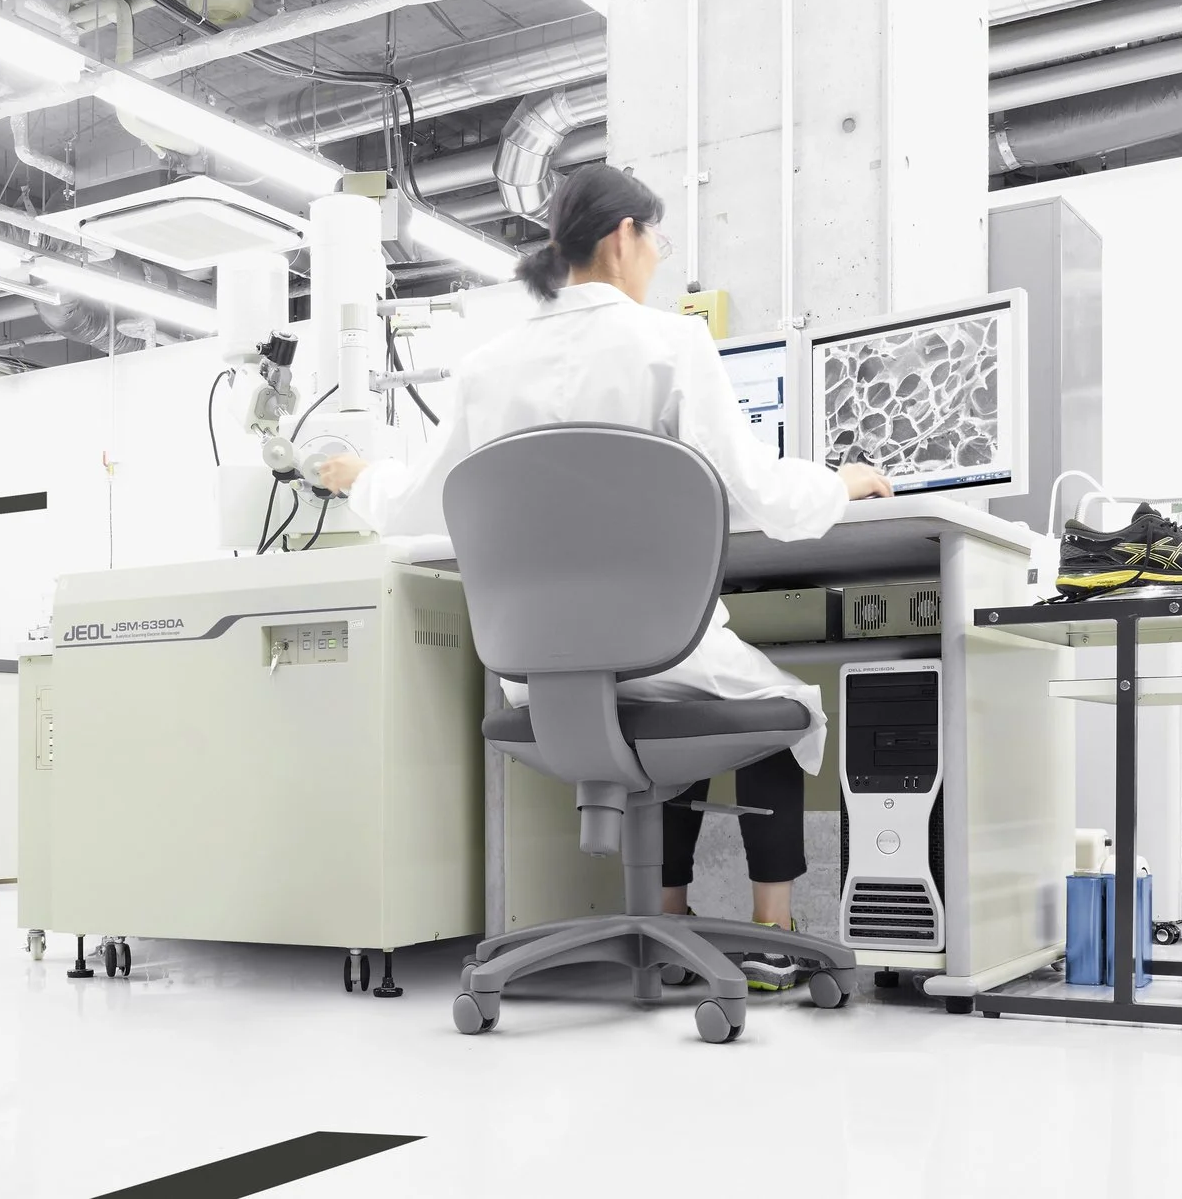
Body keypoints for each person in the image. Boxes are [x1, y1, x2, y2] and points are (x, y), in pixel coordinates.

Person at [317, 164, 890, 989]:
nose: (657, 257)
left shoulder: (486, 367)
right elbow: (761, 495)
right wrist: (842, 482)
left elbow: (415, 505)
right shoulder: (672, 346)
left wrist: (359, 477)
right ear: (624, 237)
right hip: (661, 654)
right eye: (657, 240)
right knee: (784, 705)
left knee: (680, 698)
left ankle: (669, 920)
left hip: (536, 679)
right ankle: (770, 936)